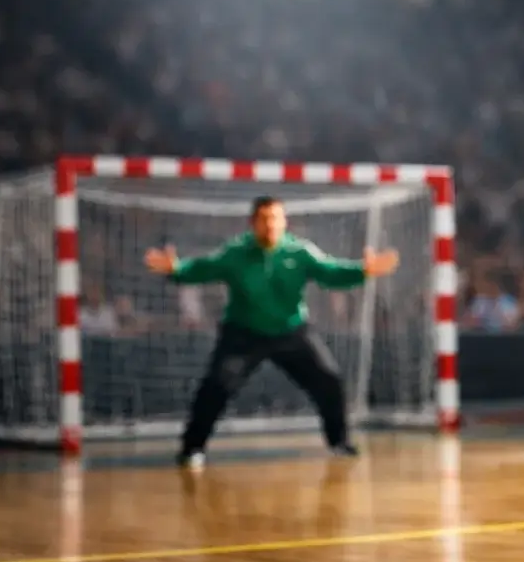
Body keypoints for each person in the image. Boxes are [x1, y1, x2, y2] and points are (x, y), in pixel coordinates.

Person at [145, 195, 399, 468]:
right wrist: (176, 269)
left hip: (291, 332)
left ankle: (339, 442)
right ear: (253, 224)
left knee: (329, 380)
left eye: (276, 218)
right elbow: (202, 269)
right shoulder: (236, 253)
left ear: (284, 222)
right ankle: (192, 449)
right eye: (264, 219)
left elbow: (331, 272)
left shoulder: (300, 252)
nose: (270, 225)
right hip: (242, 335)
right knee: (215, 386)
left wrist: (363, 270)